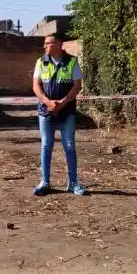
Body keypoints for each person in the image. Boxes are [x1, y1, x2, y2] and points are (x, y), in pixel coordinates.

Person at [32, 33, 85, 196]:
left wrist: (63, 102)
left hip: (67, 111)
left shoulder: (72, 62)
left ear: (58, 44)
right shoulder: (41, 62)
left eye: (48, 43)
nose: (45, 46)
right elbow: (36, 86)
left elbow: (77, 86)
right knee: (46, 145)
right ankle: (45, 182)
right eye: (44, 43)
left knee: (69, 146)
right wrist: (47, 102)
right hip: (45, 111)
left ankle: (73, 183)